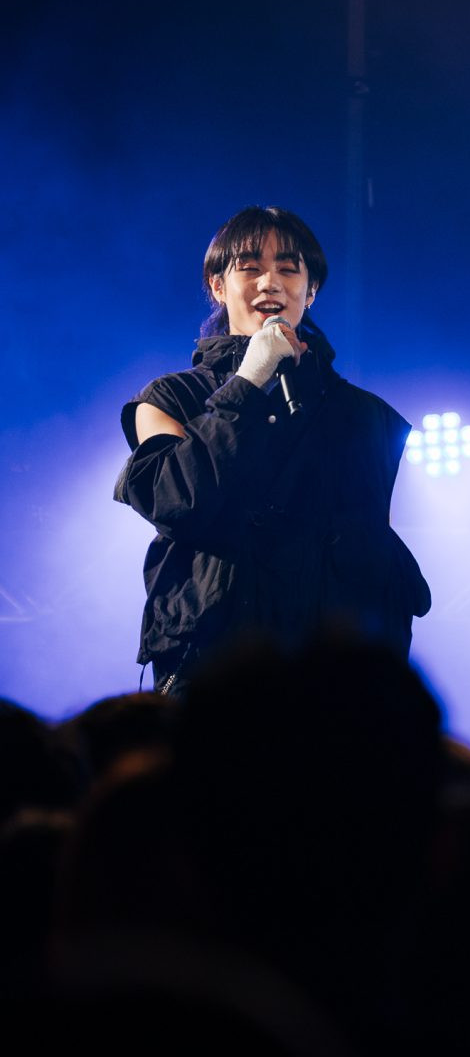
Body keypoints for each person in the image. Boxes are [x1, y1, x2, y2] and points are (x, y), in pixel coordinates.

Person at [114, 206, 431, 694]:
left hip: (335, 680)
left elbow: (374, 546)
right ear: (218, 286)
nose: (270, 283)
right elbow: (176, 500)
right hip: (217, 671)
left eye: (288, 269)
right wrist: (249, 381)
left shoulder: (368, 416)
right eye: (249, 268)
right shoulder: (169, 399)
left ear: (311, 290)